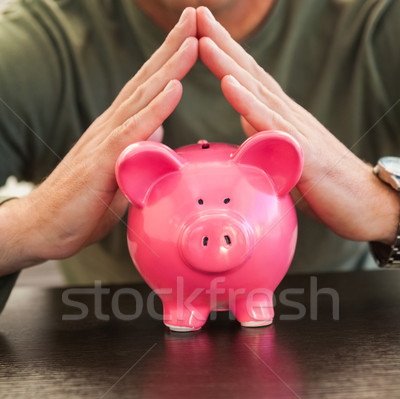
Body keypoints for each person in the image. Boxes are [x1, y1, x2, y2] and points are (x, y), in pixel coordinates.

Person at [1, 0, 399, 313]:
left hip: (346, 350)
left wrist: (386, 210)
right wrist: (27, 226)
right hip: (116, 363)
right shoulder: (31, 49)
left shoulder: (384, 28)